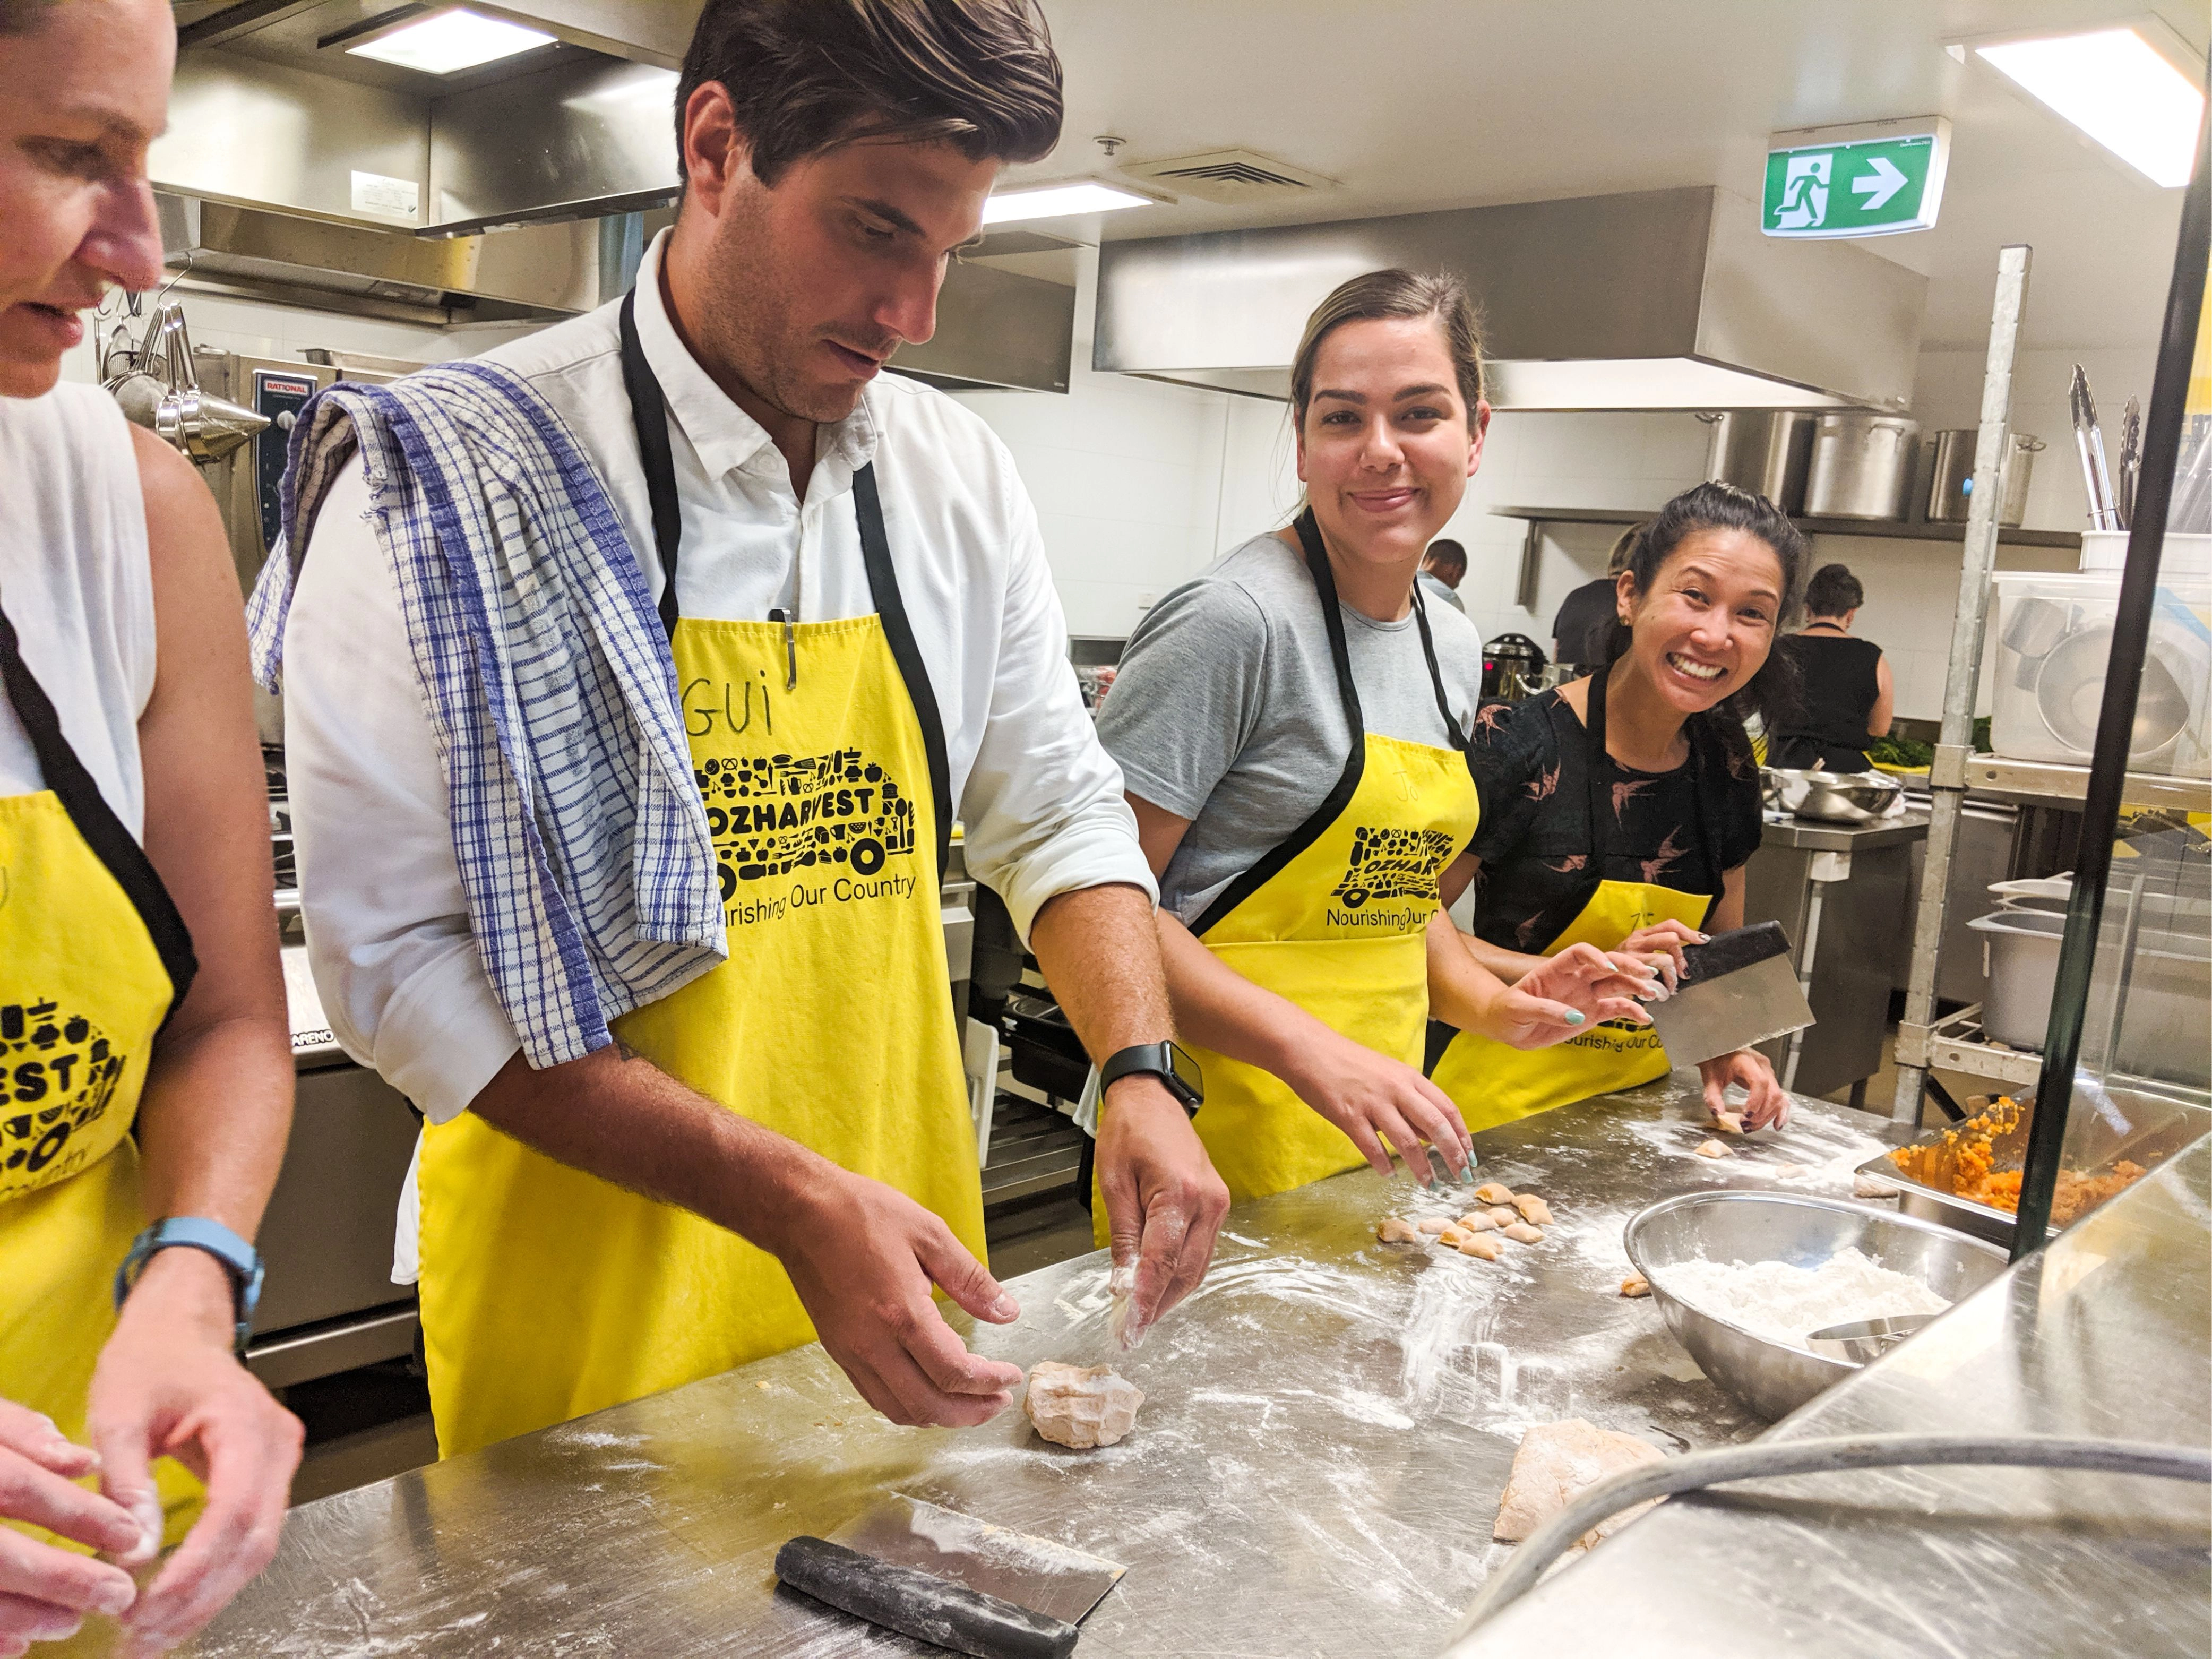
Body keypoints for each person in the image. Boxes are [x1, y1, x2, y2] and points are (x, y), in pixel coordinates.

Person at [260, 0, 1226, 1460]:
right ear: (715, 144)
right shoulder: (452, 483)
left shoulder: (953, 474)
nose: (915, 313)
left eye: (950, 250)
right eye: (874, 228)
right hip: (591, 1294)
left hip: (898, 1272)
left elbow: (1055, 809)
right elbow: (395, 968)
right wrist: (785, 1197)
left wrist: (1137, 1070)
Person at [1094, 270, 1654, 1208]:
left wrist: (1494, 1005)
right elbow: (1100, 907)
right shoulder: (1235, 623)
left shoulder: (1449, 635)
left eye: (1419, 414)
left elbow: (1394, 896)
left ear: (1475, 436)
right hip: (1207, 1143)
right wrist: (1312, 1055)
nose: (1380, 452)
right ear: (1303, 441)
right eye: (1342, 418)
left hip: (1376, 1141)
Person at [0, 0, 302, 1651]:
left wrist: (192, 1277)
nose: (139, 253)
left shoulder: (125, 510)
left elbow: (229, 1019)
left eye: (147, 162)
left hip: (93, 1538)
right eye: (69, 155)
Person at [1430, 483, 1803, 1133]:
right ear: (1630, 595)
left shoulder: (1727, 761)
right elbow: (1398, 925)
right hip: (1485, 1110)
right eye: (1696, 595)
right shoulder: (1520, 743)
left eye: (1752, 613)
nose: (1715, 634)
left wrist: (1727, 1044)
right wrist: (1569, 974)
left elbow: (1714, 952)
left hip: (1631, 1116)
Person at [1767, 562, 1892, 772]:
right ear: (1851, 614)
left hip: (1786, 765)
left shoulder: (1778, 649)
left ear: (1808, 609)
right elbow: (1880, 728)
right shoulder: (1874, 657)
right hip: (1845, 772)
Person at [1550, 523, 1639, 671]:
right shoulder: (1633, 606)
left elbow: (1557, 656)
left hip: (1565, 689)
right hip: (1602, 691)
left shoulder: (1576, 596)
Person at [1416, 538, 1467, 613]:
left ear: (1425, 559)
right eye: (1458, 581)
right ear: (1457, 570)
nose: (1456, 586)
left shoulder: (1400, 585)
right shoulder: (1449, 598)